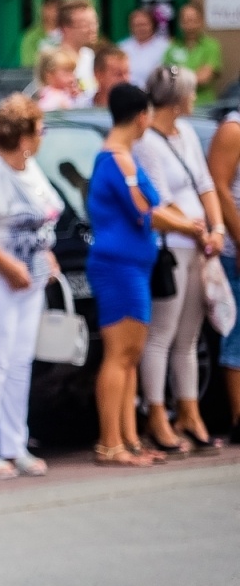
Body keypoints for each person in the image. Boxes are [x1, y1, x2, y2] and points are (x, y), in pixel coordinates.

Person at [0, 96, 62, 479]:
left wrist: (45, 255)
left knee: (19, 362)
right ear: (24, 136)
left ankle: (14, 442)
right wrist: (7, 266)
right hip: (0, 279)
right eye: (40, 130)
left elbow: (43, 217)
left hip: (31, 277)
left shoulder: (27, 166)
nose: (42, 137)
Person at [87, 83, 187, 466]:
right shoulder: (116, 160)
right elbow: (142, 210)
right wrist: (191, 228)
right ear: (142, 116)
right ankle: (110, 442)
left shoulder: (122, 157)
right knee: (119, 354)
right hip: (118, 266)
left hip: (133, 265)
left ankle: (129, 438)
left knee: (131, 355)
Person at [134, 66, 226, 454]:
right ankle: (157, 412)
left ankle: (190, 410)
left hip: (198, 242)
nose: (194, 99)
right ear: (175, 99)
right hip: (171, 244)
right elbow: (158, 200)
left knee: (189, 334)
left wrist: (217, 226)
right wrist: (195, 230)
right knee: (162, 333)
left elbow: (204, 183)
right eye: (189, 93)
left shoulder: (186, 132)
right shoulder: (147, 141)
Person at [207, 107, 240, 444]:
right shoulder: (233, 129)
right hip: (234, 249)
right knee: (237, 334)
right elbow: (218, 183)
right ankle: (238, 417)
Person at [164, 1, 224, 106]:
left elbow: (205, 77)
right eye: (185, 20)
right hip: (177, 106)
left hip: (204, 106)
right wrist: (194, 76)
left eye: (192, 20)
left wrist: (178, 78)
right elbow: (166, 78)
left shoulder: (211, 46)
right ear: (180, 23)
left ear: (201, 21)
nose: (189, 24)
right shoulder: (172, 48)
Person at [56, 0, 100, 105]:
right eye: (86, 25)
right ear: (65, 28)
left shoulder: (91, 56)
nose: (93, 29)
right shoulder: (54, 60)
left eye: (95, 23)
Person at [120, 7, 169, 88]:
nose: (140, 28)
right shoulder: (122, 47)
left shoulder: (164, 47)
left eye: (144, 25)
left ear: (153, 25)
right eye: (136, 25)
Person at [20, 0, 64, 69]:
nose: (55, 12)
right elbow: (28, 64)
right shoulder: (31, 36)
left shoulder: (70, 32)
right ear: (43, 9)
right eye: (51, 7)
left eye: (58, 8)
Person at [34, 47, 80, 112]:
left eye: (72, 72)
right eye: (66, 72)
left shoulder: (67, 93)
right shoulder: (50, 97)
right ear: (49, 75)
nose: (72, 78)